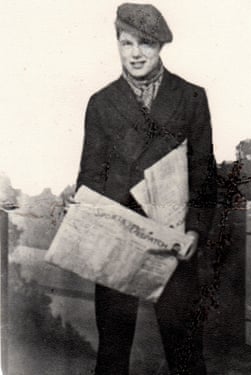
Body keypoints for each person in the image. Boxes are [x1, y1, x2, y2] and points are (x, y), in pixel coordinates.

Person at [75, 3, 217, 374]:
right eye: (126, 43)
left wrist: (195, 231)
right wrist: (95, 231)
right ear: (117, 45)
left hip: (174, 241)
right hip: (117, 238)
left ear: (160, 47)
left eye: (146, 43)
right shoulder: (101, 103)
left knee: (184, 346)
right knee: (113, 350)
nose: (135, 53)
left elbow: (203, 173)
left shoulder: (191, 97)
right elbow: (90, 176)